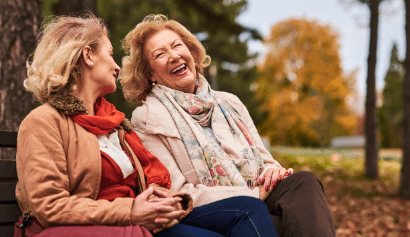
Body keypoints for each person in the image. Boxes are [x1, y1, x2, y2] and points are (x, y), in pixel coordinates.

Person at [16, 14, 278, 237]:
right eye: (110, 54)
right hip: (103, 227)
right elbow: (48, 206)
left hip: (137, 221)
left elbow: (153, 184)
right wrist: (132, 211)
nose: (118, 66)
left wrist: (171, 203)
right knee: (246, 211)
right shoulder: (44, 122)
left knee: (246, 213)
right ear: (88, 55)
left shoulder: (115, 125)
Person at [120, 14, 336, 237]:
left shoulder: (229, 102)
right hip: (214, 209)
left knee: (303, 182)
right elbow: (177, 192)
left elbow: (265, 160)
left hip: (257, 194)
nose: (174, 55)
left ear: (192, 53)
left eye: (177, 46)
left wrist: (273, 171)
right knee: (268, 218)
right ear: (150, 74)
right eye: (160, 54)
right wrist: (251, 195)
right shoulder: (147, 118)